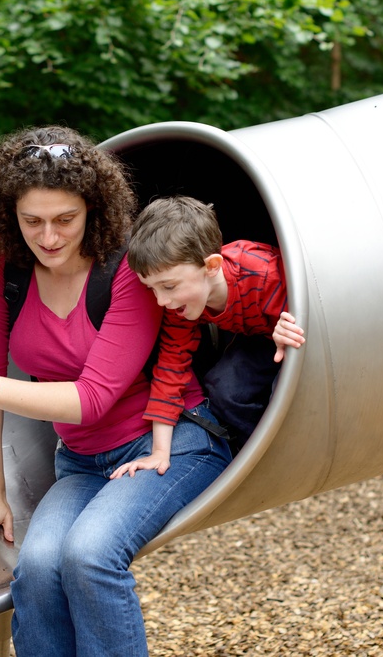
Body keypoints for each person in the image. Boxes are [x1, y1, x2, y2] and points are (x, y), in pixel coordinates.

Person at [0, 125, 232, 656]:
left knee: (89, 556)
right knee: (40, 569)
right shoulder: (2, 260)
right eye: (33, 221)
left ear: (93, 208)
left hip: (169, 439)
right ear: (10, 216)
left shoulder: (125, 266)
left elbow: (91, 398)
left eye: (65, 219)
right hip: (83, 459)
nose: (48, 237)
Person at [113, 195, 305, 478]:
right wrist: (159, 452)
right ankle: (262, 461)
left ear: (212, 266)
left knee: (289, 388)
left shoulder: (262, 272)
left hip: (294, 336)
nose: (161, 301)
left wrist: (288, 326)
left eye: (168, 286)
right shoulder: (180, 306)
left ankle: (296, 453)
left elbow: (317, 307)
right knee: (224, 388)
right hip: (258, 336)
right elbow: (171, 367)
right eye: (152, 289)